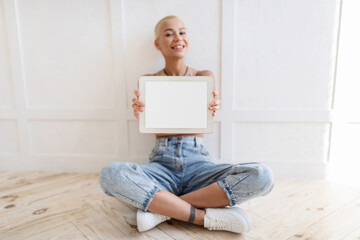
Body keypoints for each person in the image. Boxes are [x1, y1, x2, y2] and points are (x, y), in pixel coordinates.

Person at [99, 15, 274, 233]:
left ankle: (163, 209)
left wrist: (214, 106)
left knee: (263, 175)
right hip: (161, 166)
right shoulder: (148, 80)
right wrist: (140, 110)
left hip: (200, 166)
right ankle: (201, 217)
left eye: (182, 32)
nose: (177, 37)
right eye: (169, 33)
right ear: (157, 43)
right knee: (110, 174)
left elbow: (208, 110)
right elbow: (147, 117)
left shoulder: (204, 76)